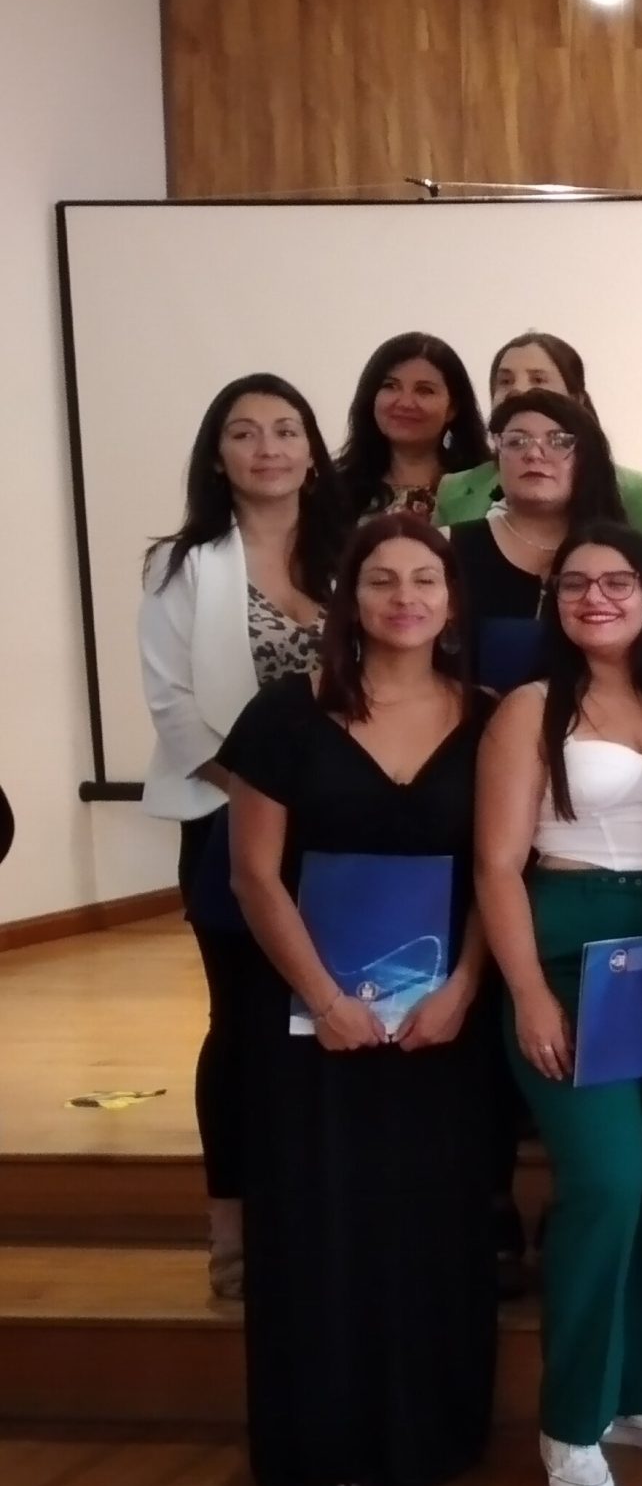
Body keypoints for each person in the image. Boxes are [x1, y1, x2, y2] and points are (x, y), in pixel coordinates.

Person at [219, 514, 498, 1486]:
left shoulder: (491, 716)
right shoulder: (285, 714)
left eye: (425, 579)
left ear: (452, 601)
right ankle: (322, 1442)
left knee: (432, 1218)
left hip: (442, 1023)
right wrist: (326, 998)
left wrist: (464, 988)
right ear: (349, 598)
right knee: (319, 1216)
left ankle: (431, 1435)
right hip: (312, 1022)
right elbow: (254, 876)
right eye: (382, 579)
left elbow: (500, 871)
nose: (404, 597)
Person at [475, 523, 642, 1486]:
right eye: (575, 583)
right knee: (606, 1181)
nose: (596, 597)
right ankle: (572, 1414)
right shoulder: (530, 708)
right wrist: (528, 992)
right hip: (568, 950)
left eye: (617, 580)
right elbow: (498, 864)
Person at [138, 373, 351, 1300]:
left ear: (313, 452)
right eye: (244, 432)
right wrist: (265, 800)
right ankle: (232, 1227)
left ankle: (323, 1212)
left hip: (347, 829)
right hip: (229, 820)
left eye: (286, 430)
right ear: (217, 456)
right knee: (245, 1025)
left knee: (338, 1012)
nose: (268, 448)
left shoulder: (355, 553)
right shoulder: (181, 565)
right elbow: (174, 709)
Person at [449, 391, 642, 695]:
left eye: (559, 441)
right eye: (516, 441)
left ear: (588, 458)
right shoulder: (446, 547)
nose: (534, 454)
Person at [432, 332, 642, 551]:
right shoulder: (455, 488)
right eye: (505, 381)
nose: (518, 390)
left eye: (538, 379)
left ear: (576, 398)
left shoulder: (632, 489)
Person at [336, 332, 487, 519]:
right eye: (390, 386)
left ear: (452, 408)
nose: (405, 403)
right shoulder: (334, 492)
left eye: (424, 390)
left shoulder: (486, 489)